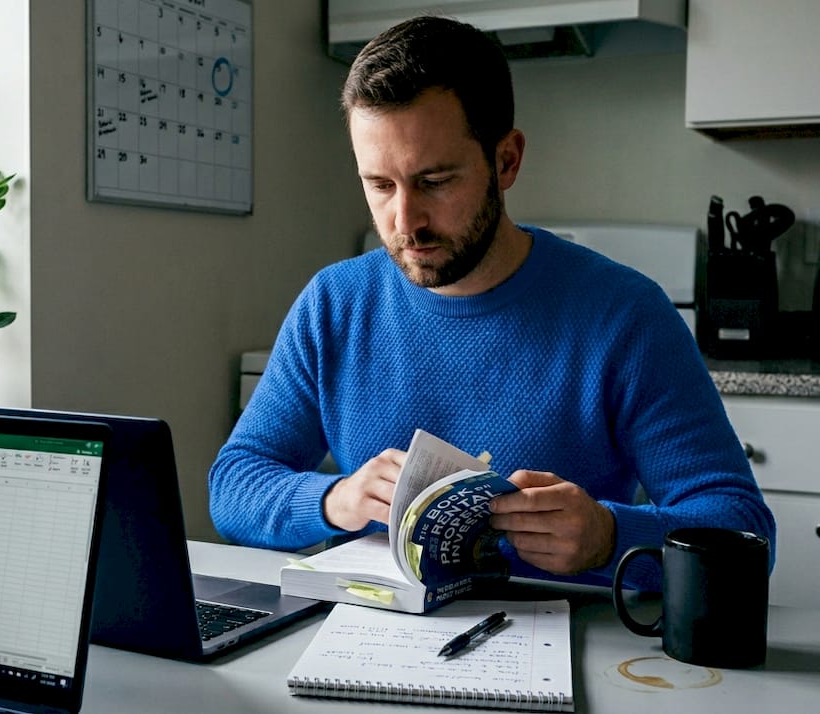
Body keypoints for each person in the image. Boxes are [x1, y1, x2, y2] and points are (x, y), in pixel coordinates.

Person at [208, 15, 774, 591]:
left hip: (569, 650)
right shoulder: (334, 303)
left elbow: (745, 532)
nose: (405, 222)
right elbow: (232, 485)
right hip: (370, 637)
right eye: (380, 185)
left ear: (506, 161)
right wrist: (336, 498)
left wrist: (609, 535)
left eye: (434, 181)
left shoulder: (626, 316)